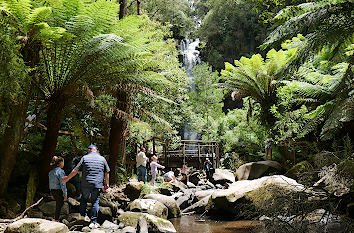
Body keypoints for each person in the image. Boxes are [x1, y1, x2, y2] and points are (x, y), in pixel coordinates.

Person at [62, 145, 110, 229]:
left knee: (84, 199)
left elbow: (75, 170)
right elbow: (107, 172)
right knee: (95, 202)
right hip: (97, 184)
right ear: (96, 150)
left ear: (89, 150)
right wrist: (107, 184)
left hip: (85, 184)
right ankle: (93, 222)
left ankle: (83, 217)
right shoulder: (102, 159)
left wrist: (67, 178)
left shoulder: (84, 158)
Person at [48, 156, 67, 222]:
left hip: (53, 190)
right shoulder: (61, 172)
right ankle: (56, 219)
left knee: (58, 204)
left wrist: (51, 193)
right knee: (59, 205)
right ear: (61, 163)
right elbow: (63, 184)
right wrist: (65, 195)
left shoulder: (51, 172)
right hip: (59, 191)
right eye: (63, 162)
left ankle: (55, 217)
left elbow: (50, 183)